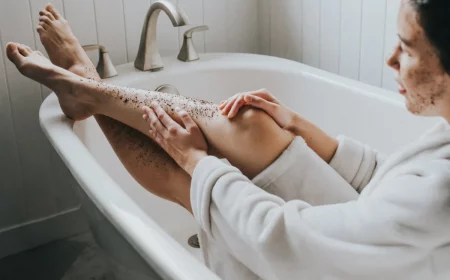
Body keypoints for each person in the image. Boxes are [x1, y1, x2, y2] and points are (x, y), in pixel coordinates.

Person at [5, 0, 450, 278]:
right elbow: (388, 182)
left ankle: (85, 84)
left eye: (408, 48)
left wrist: (199, 165)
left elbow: (287, 243)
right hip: (372, 252)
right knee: (251, 125)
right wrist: (298, 124)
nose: (390, 59)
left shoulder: (443, 192)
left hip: (331, 267)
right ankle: (88, 93)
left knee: (191, 184)